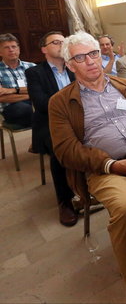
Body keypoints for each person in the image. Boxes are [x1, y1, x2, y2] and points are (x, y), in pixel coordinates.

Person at [48, 31, 126, 304]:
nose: (90, 61)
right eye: (80, 57)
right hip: (107, 170)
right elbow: (66, 150)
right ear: (70, 65)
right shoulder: (61, 102)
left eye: (93, 54)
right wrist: (112, 164)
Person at [25, 31, 77, 226]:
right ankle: (65, 202)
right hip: (49, 124)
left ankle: (96, 187)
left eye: (64, 42)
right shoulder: (35, 73)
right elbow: (42, 104)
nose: (61, 45)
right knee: (60, 149)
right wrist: (72, 109)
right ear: (44, 49)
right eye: (56, 42)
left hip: (77, 120)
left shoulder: (74, 68)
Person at [0, 33, 35, 127]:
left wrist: (11, 91)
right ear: (0, 52)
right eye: (6, 47)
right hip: (11, 108)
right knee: (27, 110)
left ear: (18, 49)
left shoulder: (31, 66)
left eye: (13, 46)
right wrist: (31, 95)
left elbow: (41, 89)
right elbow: (1, 98)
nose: (11, 50)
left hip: (34, 103)